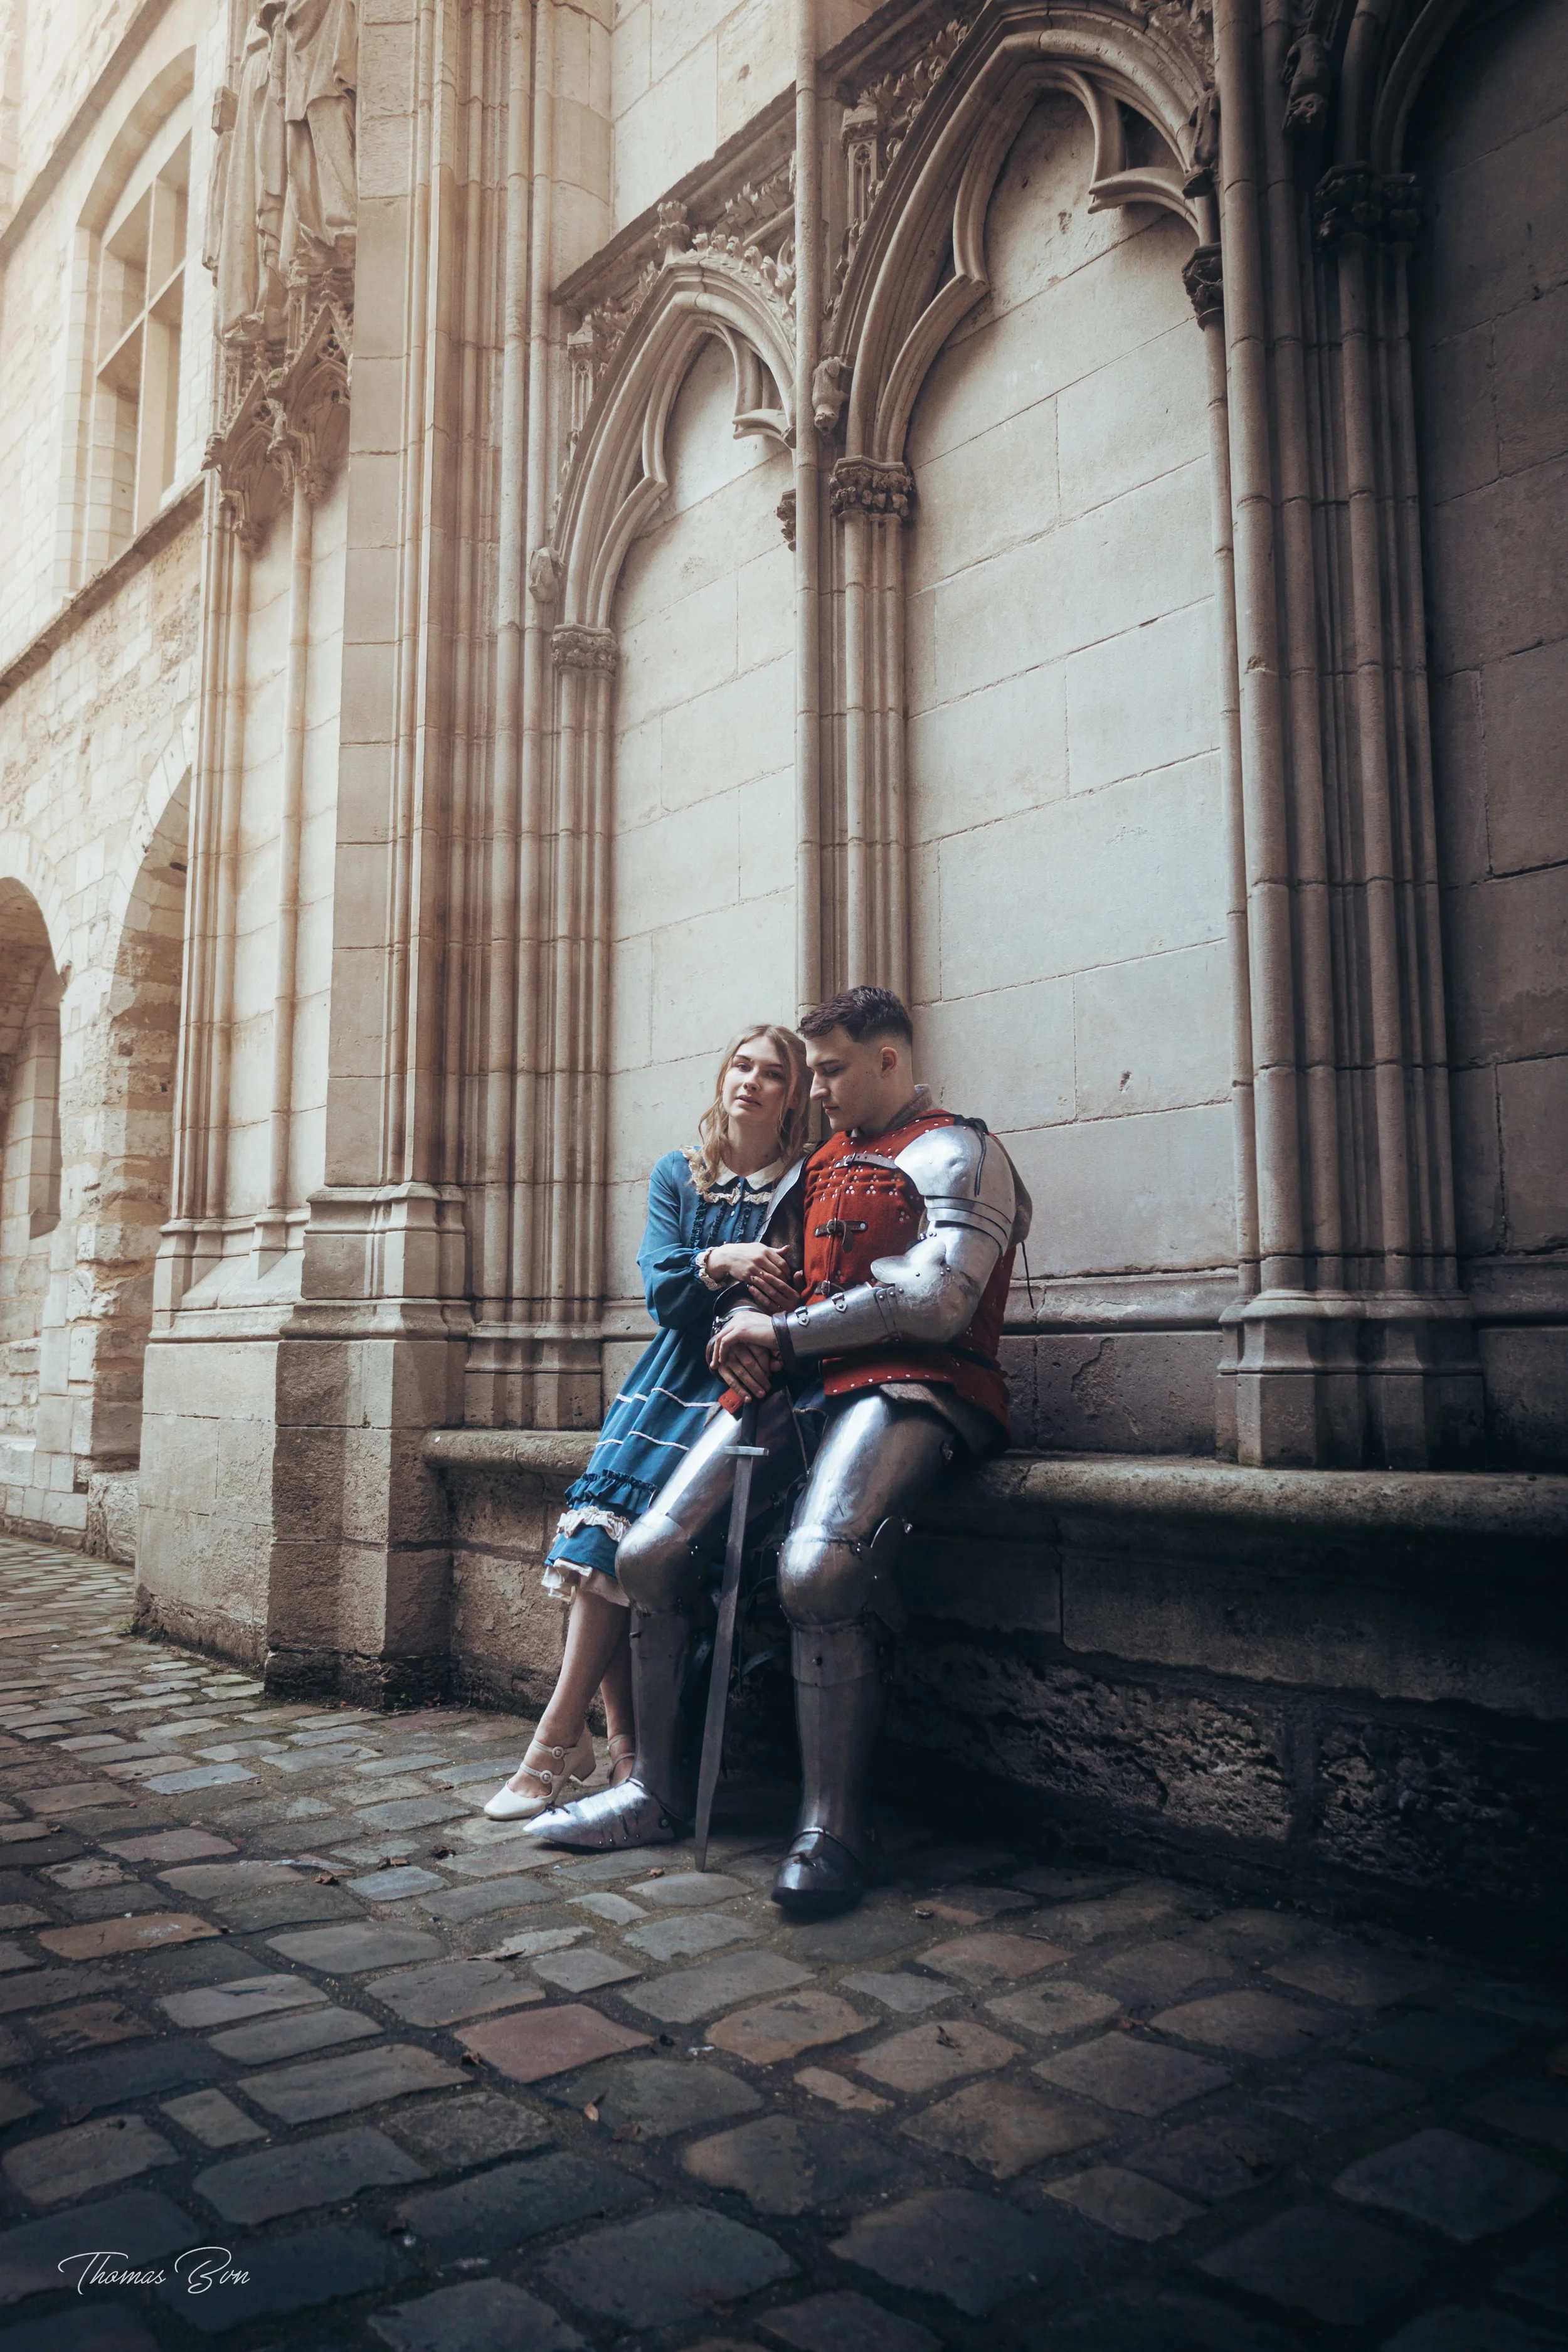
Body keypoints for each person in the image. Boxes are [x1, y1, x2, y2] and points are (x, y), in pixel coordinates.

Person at [524, 984, 1030, 1919]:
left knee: (818, 1569)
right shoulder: (823, 1164)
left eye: (832, 1069)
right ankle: (655, 1790)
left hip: (918, 1385)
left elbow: (935, 1302)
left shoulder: (959, 1147)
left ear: (888, 1060)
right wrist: (753, 1322)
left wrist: (787, 1338)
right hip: (803, 1384)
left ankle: (832, 1826)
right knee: (647, 1554)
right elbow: (784, 1276)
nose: (818, 1090)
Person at [482, 1024, 811, 1820]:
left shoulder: (803, 1182)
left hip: (743, 1385)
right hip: (665, 1381)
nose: (752, 1082)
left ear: (793, 1094)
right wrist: (725, 1264)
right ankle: (618, 1748)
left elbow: (796, 1293)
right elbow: (662, 1293)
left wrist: (740, 1311)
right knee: (597, 1538)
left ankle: (560, 1742)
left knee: (628, 1547)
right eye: (741, 1065)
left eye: (773, 1074)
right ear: (721, 1074)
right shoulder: (679, 1174)